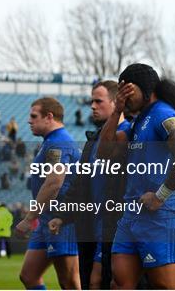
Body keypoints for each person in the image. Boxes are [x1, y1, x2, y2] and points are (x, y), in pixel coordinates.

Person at [97, 63, 175, 289]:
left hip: (159, 216)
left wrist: (160, 196)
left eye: (128, 90)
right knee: (120, 283)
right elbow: (103, 153)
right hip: (131, 215)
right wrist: (116, 111)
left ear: (145, 89)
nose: (124, 95)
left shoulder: (162, 113)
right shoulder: (138, 122)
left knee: (166, 286)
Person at [48, 81, 130, 289]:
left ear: (115, 103)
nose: (92, 106)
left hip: (116, 229)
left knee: (101, 282)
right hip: (90, 230)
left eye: (98, 101)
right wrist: (62, 215)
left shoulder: (130, 135)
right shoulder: (92, 142)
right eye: (91, 101)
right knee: (90, 283)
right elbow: (79, 183)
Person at [16, 97, 81, 289]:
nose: (29, 120)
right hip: (46, 219)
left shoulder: (59, 143)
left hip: (61, 220)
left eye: (34, 116)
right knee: (29, 276)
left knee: (69, 281)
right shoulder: (49, 142)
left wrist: (29, 218)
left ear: (49, 117)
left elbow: (54, 182)